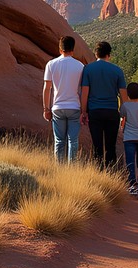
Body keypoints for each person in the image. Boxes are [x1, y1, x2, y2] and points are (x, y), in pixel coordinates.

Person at [80, 40, 127, 169]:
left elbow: (85, 92)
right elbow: (123, 96)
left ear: (96, 54)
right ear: (109, 54)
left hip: (94, 112)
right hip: (112, 112)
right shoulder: (117, 70)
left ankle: (99, 175)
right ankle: (112, 175)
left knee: (97, 146)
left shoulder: (88, 69)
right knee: (111, 147)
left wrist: (83, 112)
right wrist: (125, 115)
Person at [43, 35, 84, 163]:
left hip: (58, 108)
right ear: (73, 49)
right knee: (73, 140)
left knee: (59, 141)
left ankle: (59, 169)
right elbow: (82, 90)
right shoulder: (80, 66)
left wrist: (46, 109)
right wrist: (84, 111)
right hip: (74, 108)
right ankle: (72, 169)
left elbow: (47, 88)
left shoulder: (51, 64)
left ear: (60, 49)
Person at [120, 82, 138, 198]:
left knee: (130, 162)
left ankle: (132, 185)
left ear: (128, 94)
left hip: (129, 137)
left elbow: (122, 117)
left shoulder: (125, 106)